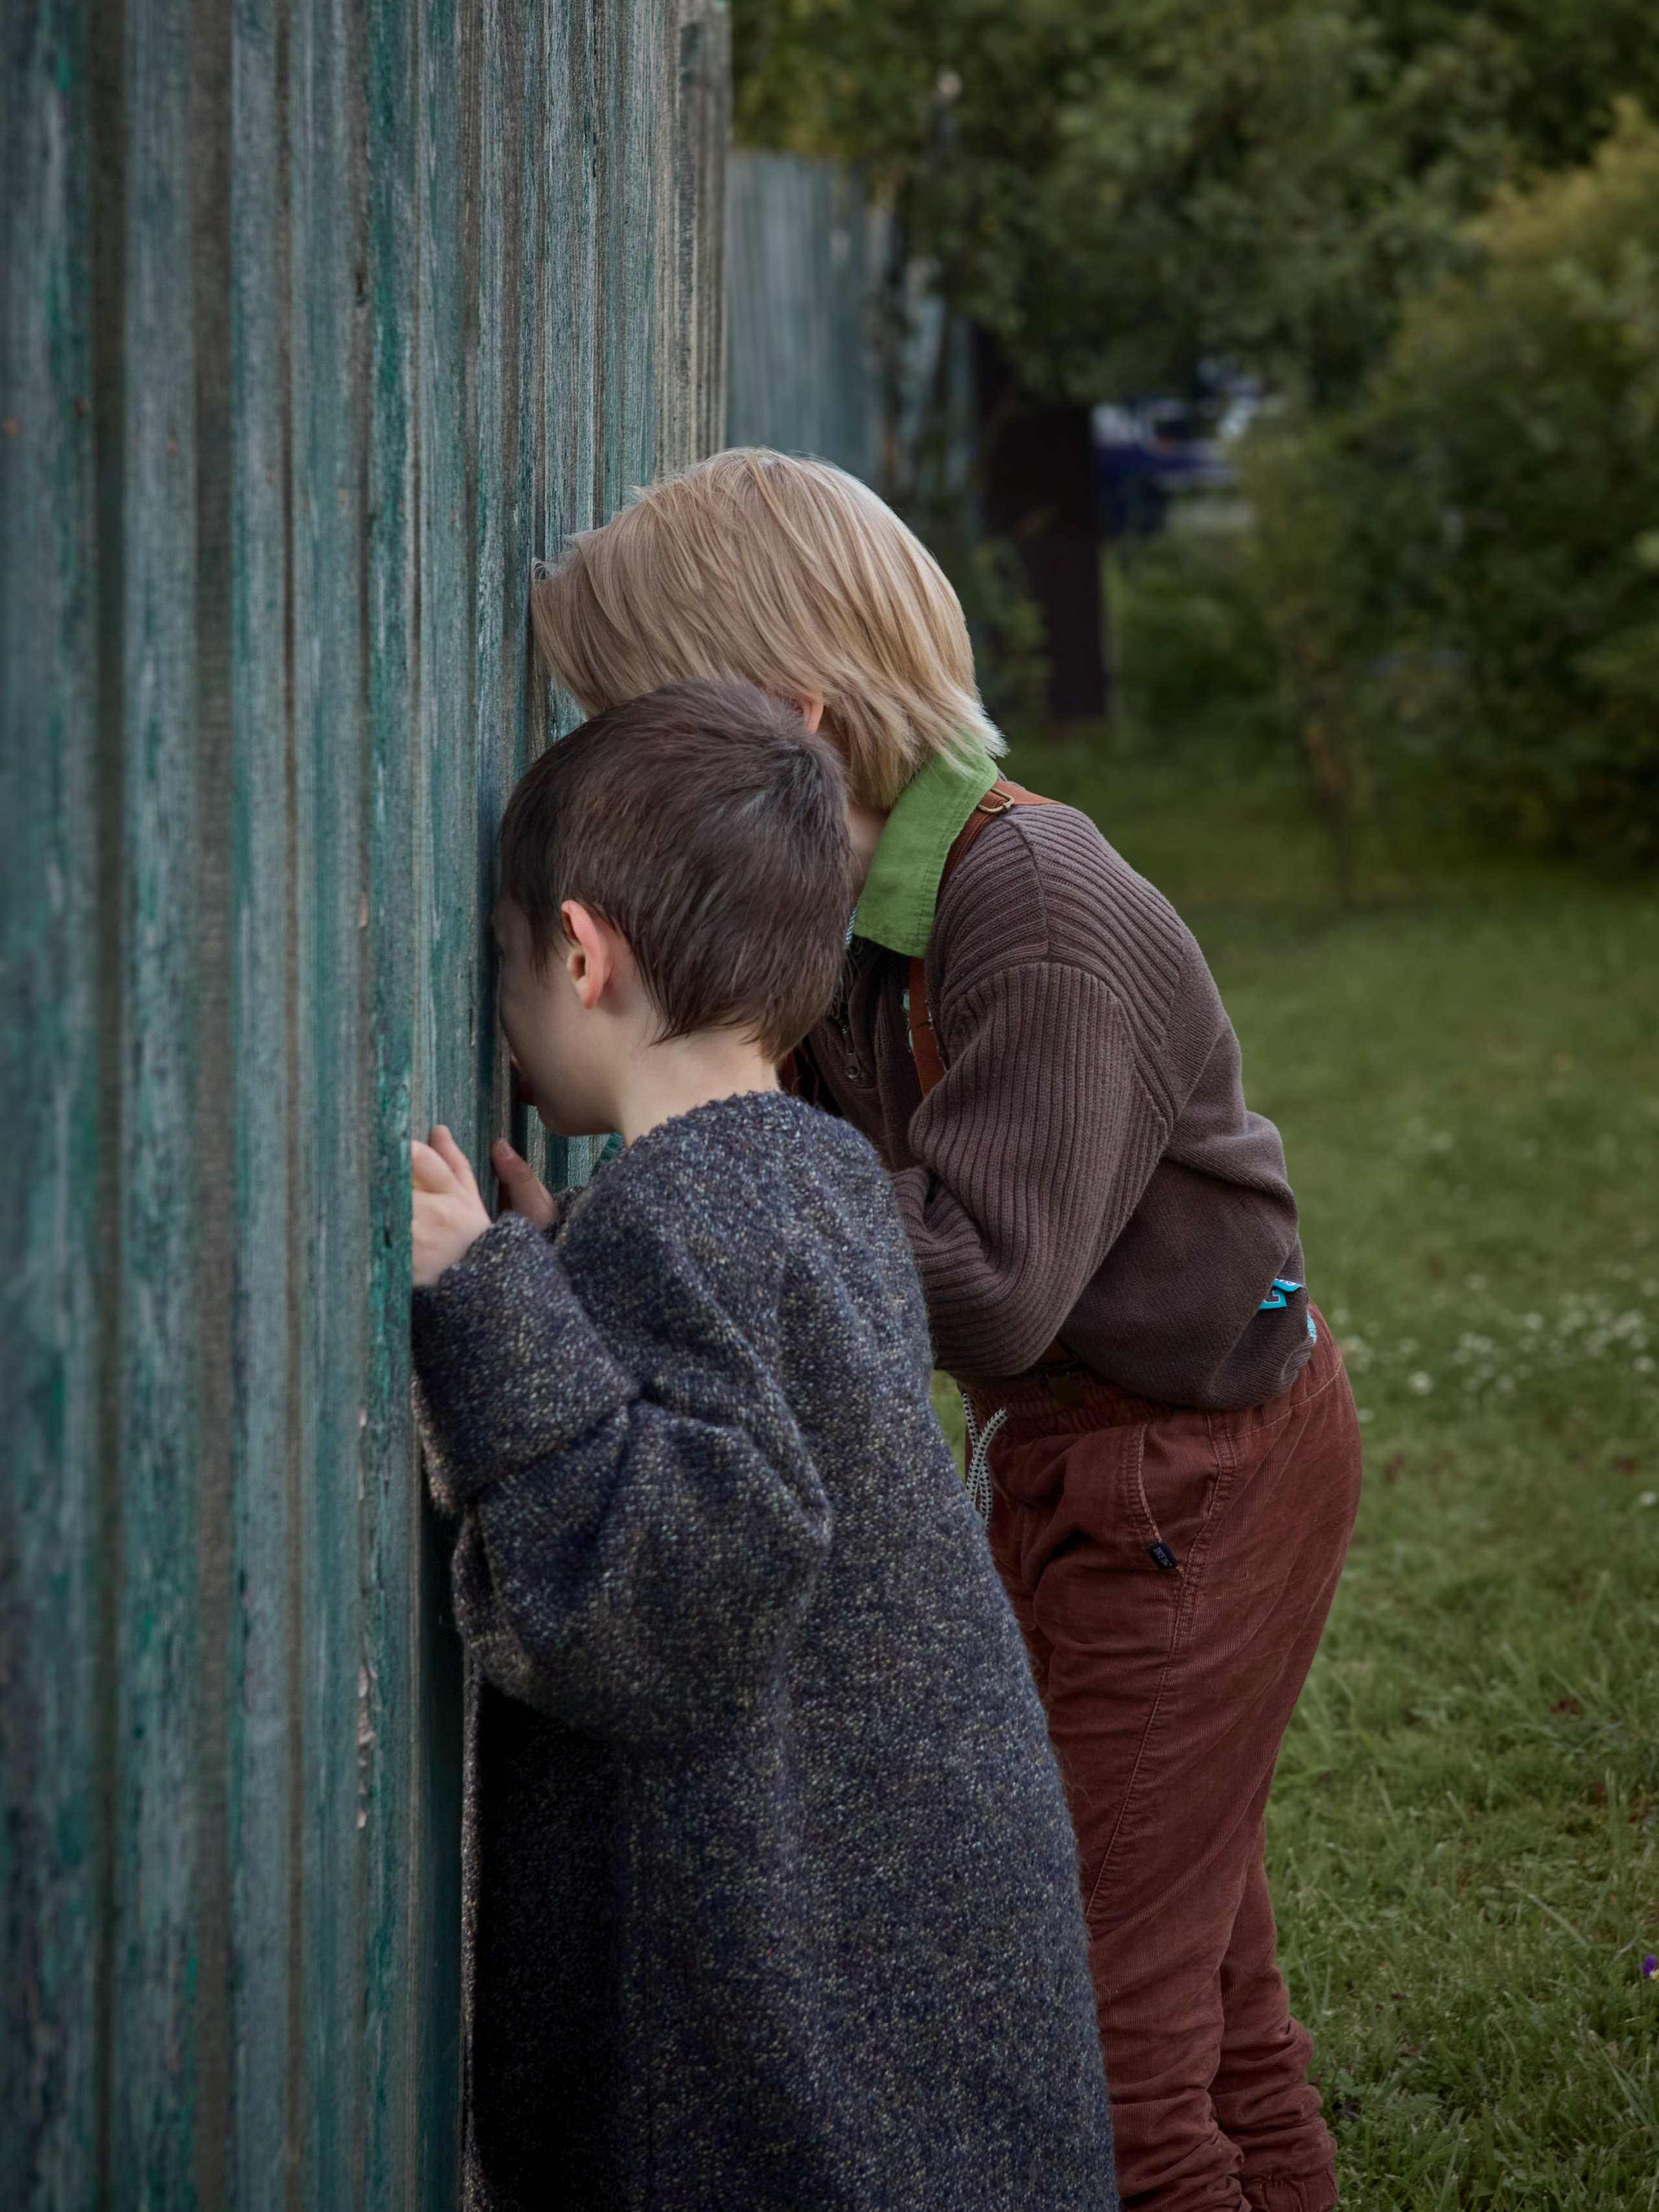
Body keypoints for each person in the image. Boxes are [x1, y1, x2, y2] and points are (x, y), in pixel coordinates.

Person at [507, 451, 1365, 2212]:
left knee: (1110, 2046)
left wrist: (631, 1234)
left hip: (1198, 1482)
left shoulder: (1033, 904)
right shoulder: (848, 909)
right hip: (1076, 1454)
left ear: (798, 728)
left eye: (644, 737)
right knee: (1205, 1980)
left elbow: (986, 1275)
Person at [410, 678, 1117, 2212]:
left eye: (507, 964)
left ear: (582, 954)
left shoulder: (690, 1216)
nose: (505, 1009)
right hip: (907, 1930)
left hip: (760, 2020)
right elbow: (733, 1421)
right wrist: (569, 1274)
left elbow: (668, 1599)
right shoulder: (815, 1176)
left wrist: (488, 1305)